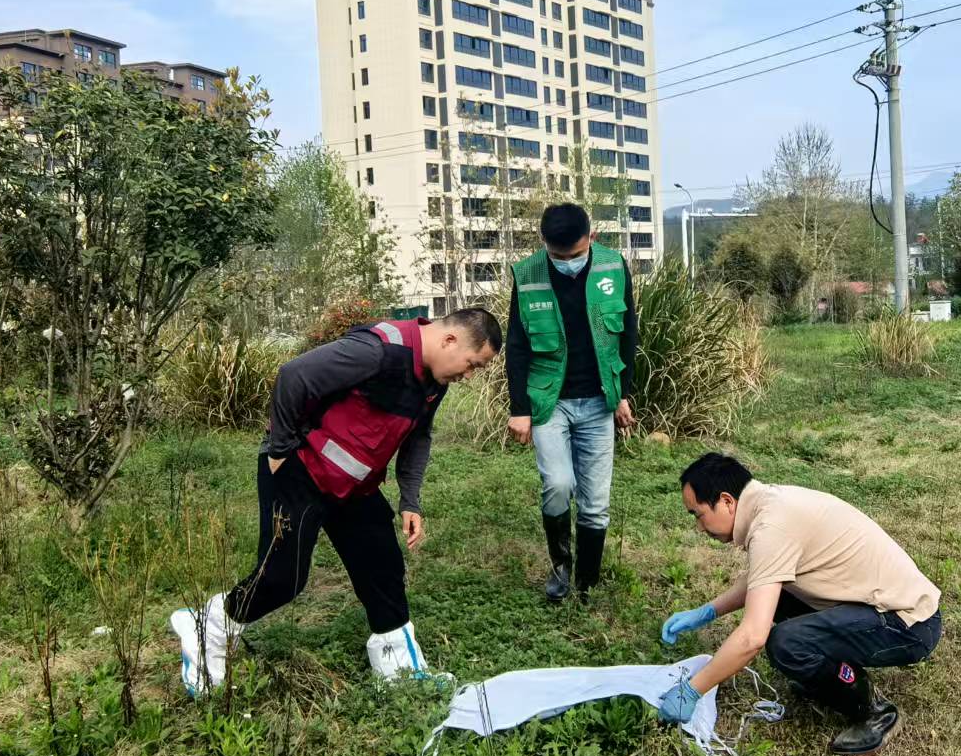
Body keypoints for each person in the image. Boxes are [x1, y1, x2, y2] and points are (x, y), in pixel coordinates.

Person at [172, 308, 501, 694]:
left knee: (382, 565)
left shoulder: (434, 380)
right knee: (283, 577)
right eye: (472, 364)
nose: (468, 376)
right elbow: (293, 376)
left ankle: (397, 667)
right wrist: (279, 450)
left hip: (354, 485)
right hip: (300, 468)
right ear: (450, 340)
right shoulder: (378, 351)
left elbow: (418, 437)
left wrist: (410, 501)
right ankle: (207, 627)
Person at [656, 453, 942, 756]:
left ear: (727, 501)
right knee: (776, 600)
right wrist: (708, 611)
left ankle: (873, 712)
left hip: (908, 625)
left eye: (698, 515)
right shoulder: (771, 505)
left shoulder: (771, 527)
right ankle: (828, 674)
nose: (699, 528)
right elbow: (761, 578)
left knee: (787, 643)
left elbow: (752, 638)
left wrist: (693, 690)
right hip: (882, 606)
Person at [505, 203, 638, 601]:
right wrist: (519, 409)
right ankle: (561, 569)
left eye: (575, 255)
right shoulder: (527, 274)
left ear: (591, 237)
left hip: (599, 401)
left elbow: (628, 334)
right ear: (544, 243)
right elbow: (516, 346)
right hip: (549, 402)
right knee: (558, 484)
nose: (567, 263)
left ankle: (586, 584)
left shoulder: (614, 267)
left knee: (595, 502)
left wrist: (623, 394)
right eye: (558, 256)